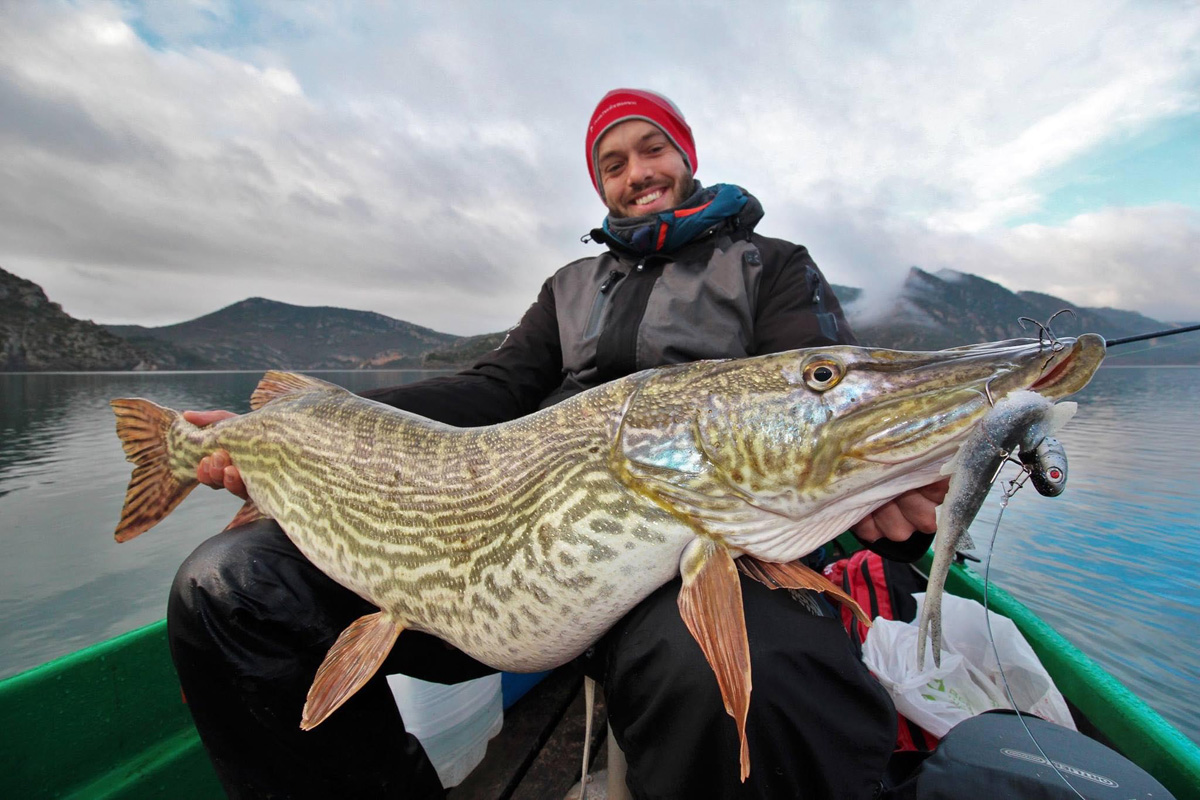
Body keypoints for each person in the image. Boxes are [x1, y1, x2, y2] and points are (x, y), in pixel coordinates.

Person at [171, 88, 948, 799]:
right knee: (228, 585)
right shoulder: (570, 286)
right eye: (613, 164)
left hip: (707, 551)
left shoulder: (770, 267)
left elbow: (817, 402)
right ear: (599, 183)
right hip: (501, 581)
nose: (637, 173)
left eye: (652, 149)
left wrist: (887, 489)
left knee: (748, 680)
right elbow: (492, 389)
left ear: (686, 155)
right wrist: (311, 427)